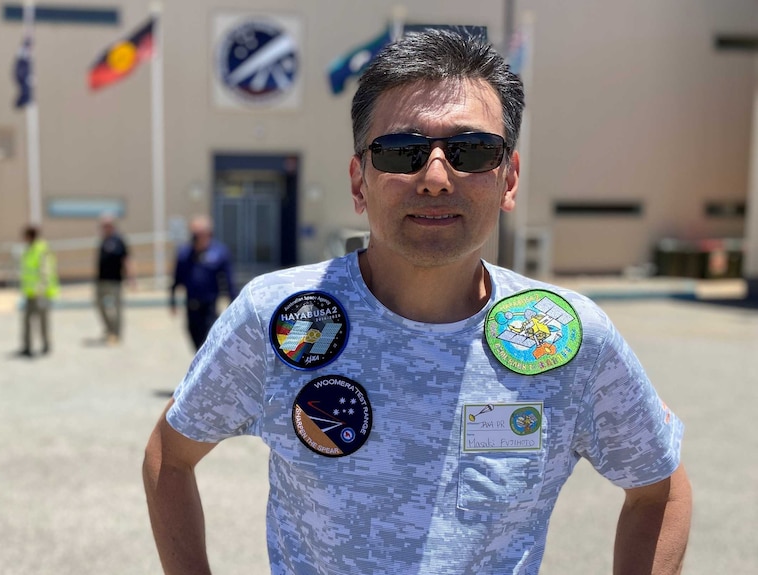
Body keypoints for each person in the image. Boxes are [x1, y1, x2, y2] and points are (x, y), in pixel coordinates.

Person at [143, 28, 692, 574]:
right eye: (401, 152)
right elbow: (169, 459)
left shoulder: (568, 338)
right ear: (359, 182)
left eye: (472, 151)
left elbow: (659, 490)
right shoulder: (280, 317)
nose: (434, 176)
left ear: (509, 179)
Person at [169, 215, 237, 350]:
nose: (197, 237)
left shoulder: (219, 253)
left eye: (200, 234)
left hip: (210, 307)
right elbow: (176, 279)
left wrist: (233, 304)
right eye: (194, 234)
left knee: (209, 343)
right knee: (196, 342)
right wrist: (172, 301)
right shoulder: (184, 253)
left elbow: (229, 281)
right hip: (191, 306)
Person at [17, 225, 58, 357]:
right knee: (27, 321)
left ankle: (46, 345)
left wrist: (41, 288)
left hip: (41, 293)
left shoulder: (41, 249)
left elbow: (45, 270)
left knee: (43, 321)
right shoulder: (28, 250)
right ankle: (27, 347)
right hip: (30, 293)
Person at [95, 213, 131, 345]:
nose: (105, 228)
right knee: (99, 305)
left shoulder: (119, 240)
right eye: (103, 225)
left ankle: (116, 333)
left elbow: (126, 259)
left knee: (117, 308)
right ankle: (109, 329)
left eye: (107, 225)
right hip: (101, 280)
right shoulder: (103, 240)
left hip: (115, 280)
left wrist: (131, 277)